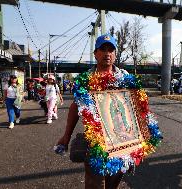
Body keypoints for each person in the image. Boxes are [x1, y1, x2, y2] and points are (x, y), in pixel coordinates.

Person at [57, 34, 130, 189]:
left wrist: (139, 141)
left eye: (111, 50)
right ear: (95, 54)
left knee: (114, 180)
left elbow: (135, 106)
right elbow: (75, 107)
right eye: (102, 49)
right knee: (95, 183)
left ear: (115, 54)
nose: (107, 53)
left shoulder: (124, 77)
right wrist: (66, 136)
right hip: (95, 140)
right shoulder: (85, 79)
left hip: (120, 139)